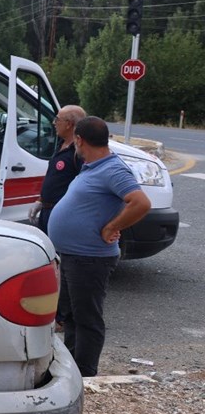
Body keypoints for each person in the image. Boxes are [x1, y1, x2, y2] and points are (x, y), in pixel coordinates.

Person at [47, 116, 151, 377]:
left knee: (87, 318)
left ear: (80, 140)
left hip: (90, 258)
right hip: (74, 255)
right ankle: (70, 368)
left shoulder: (113, 169)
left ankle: (85, 374)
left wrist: (112, 227)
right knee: (70, 315)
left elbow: (140, 203)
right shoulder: (93, 166)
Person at [29, 105, 87, 233]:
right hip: (47, 211)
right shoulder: (61, 144)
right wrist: (41, 200)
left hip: (62, 213)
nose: (54, 123)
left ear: (68, 124)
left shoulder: (78, 152)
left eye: (57, 119)